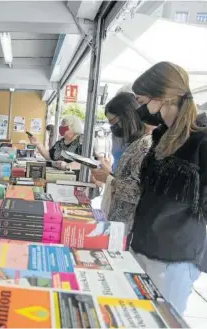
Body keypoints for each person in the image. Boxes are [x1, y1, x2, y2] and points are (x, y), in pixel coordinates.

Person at [130, 62, 207, 315]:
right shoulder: (160, 138)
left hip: (175, 257)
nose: (141, 108)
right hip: (142, 245)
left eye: (142, 100)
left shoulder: (201, 142)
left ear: (163, 98)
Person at [90, 92, 152, 241]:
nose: (112, 128)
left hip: (131, 229)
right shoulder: (133, 144)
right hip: (119, 223)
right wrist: (109, 174)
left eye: (114, 122)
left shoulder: (145, 145)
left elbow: (139, 192)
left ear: (128, 116)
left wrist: (109, 179)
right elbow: (127, 179)